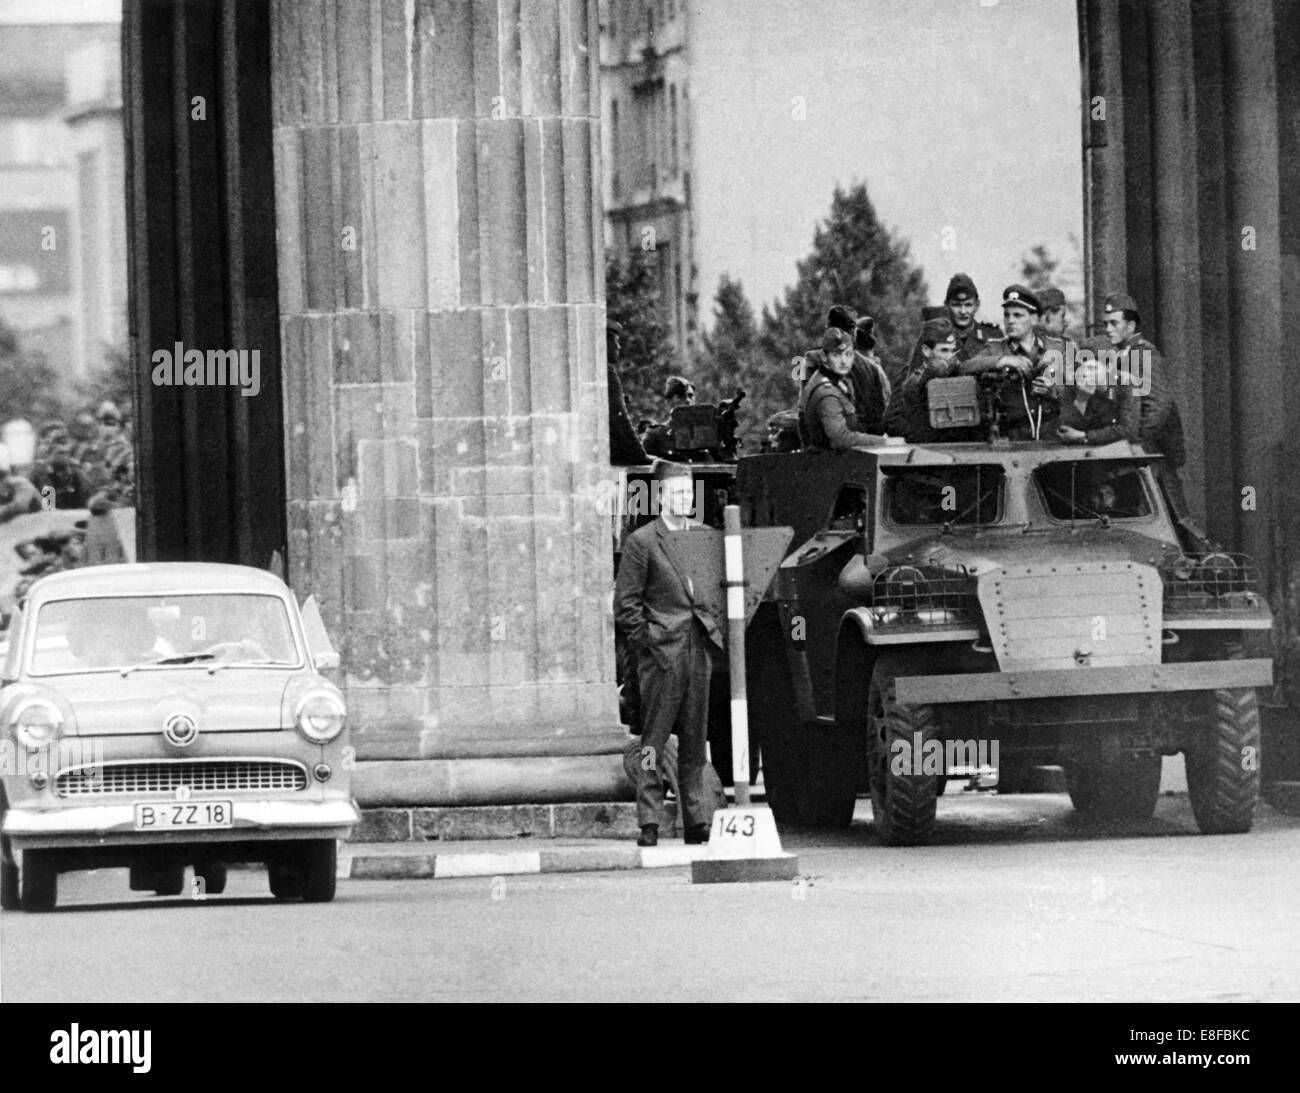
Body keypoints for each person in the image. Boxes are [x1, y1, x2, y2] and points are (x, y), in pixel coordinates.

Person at [613, 461, 724, 847]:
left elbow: (717, 589)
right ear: (660, 496)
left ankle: (697, 818)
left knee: (696, 739)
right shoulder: (642, 542)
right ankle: (649, 819)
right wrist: (649, 642)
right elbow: (625, 605)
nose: (684, 499)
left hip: (699, 646)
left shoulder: (706, 536)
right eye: (677, 493)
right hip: (662, 652)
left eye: (689, 493)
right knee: (653, 741)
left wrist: (714, 630)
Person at [1101, 291, 1191, 519]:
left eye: (1114, 323)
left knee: (1168, 518)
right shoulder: (1124, 355)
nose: (1108, 329)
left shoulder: (1142, 353)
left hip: (1149, 451)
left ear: (1131, 325)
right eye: (1106, 324)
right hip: (1137, 452)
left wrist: (1138, 440)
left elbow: (1160, 404)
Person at [960, 285, 1070, 441]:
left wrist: (1051, 390)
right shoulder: (996, 349)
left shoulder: (1059, 349)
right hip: (1012, 437)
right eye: (1007, 315)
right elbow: (964, 367)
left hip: (1053, 435)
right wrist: (1002, 360)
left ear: (1034, 319)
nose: (1010, 321)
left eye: (1018, 315)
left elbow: (1079, 393)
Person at [883, 317, 980, 443]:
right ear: (926, 350)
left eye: (953, 350)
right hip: (926, 450)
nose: (950, 357)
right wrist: (924, 436)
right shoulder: (909, 375)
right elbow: (892, 421)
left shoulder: (960, 375)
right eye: (944, 350)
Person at [798, 327, 888, 450]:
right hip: (831, 464)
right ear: (825, 357)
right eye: (836, 355)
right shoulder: (827, 393)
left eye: (848, 354)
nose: (844, 361)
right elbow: (841, 439)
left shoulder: (837, 382)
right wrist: (884, 441)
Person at [905, 274, 1003, 378]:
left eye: (968, 305)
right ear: (946, 305)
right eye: (956, 305)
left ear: (977, 305)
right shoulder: (933, 335)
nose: (963, 311)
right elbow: (914, 379)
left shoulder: (993, 335)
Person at [1056, 355, 1138, 445]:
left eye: (1093, 368)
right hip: (1081, 447)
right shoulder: (1074, 384)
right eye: (1082, 369)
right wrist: (1081, 400)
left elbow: (1127, 429)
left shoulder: (1124, 384)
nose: (1086, 373)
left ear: (1107, 369)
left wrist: (1084, 435)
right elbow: (1065, 429)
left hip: (1119, 448)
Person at [605, 320, 650, 465]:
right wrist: (640, 455)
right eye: (615, 342)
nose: (619, 346)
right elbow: (620, 418)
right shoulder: (608, 371)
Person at [642, 375, 697, 459]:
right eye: (680, 396)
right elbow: (642, 465)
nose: (687, 400)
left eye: (690, 396)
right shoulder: (656, 435)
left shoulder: (706, 433)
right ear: (668, 401)